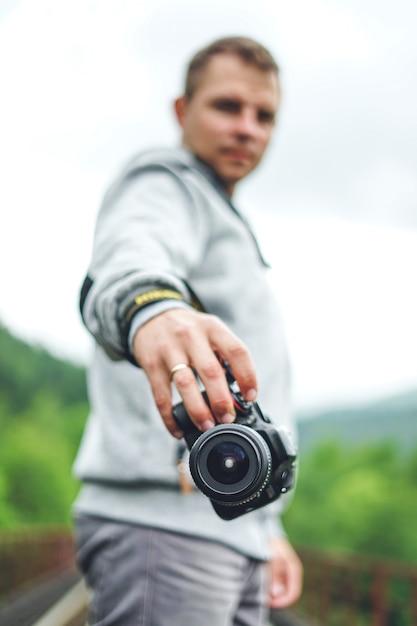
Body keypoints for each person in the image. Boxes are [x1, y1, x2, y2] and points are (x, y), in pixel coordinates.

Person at [73, 36, 303, 626]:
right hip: (163, 532)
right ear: (182, 111)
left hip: (233, 531)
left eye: (264, 115)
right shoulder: (164, 183)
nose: (248, 128)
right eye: (227, 107)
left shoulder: (226, 218)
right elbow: (131, 255)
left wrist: (266, 526)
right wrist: (152, 308)